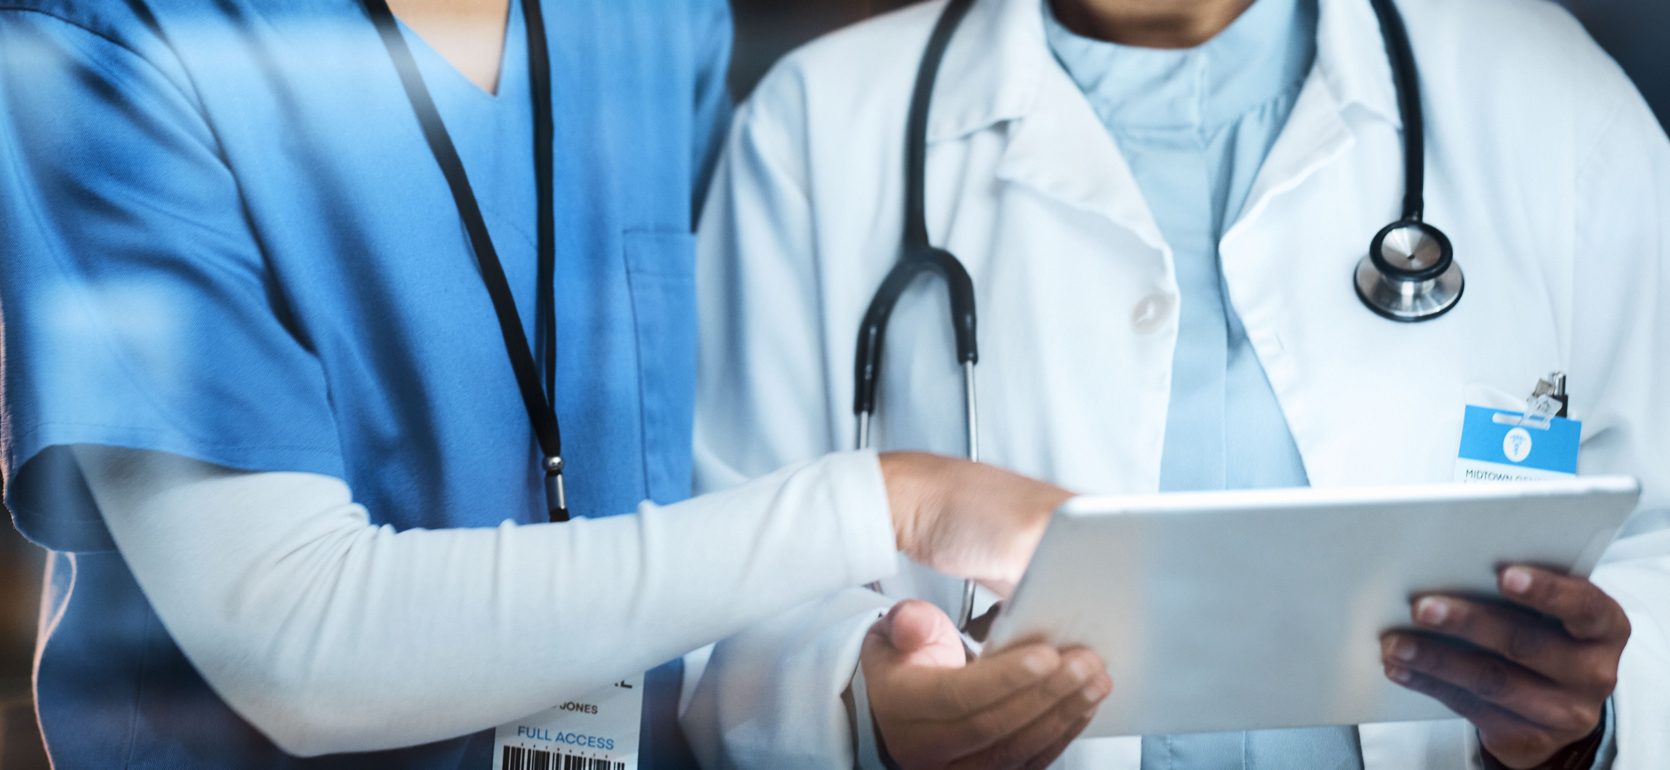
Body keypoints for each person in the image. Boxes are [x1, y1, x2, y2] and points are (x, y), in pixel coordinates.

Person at [0, 0, 1106, 767]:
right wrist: (888, 500)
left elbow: (709, 495)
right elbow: (291, 640)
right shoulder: (110, 45)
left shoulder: (655, 20)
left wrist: (861, 689)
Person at [685, 0, 1670, 767]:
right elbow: (717, 598)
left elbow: (1655, 543)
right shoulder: (816, 128)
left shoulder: (1549, 100)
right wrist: (862, 710)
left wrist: (1592, 712)